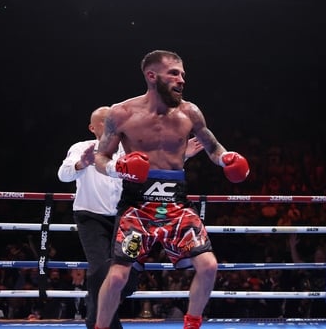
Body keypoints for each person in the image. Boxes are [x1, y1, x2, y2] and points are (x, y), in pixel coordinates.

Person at [93, 50, 250, 329]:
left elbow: (213, 147)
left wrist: (226, 158)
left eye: (183, 75)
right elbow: (100, 157)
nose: (181, 80)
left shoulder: (190, 112)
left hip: (176, 205)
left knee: (209, 266)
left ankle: (192, 324)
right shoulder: (122, 113)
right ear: (152, 76)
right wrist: (118, 168)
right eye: (174, 73)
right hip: (136, 205)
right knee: (117, 276)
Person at [57, 106, 204, 329]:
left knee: (130, 275)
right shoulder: (82, 148)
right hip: (91, 217)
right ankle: (97, 321)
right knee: (100, 270)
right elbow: (63, 174)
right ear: (92, 127)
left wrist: (183, 155)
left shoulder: (129, 149)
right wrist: (82, 163)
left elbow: (157, 169)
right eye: (105, 122)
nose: (111, 127)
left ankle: (96, 306)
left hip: (126, 217)